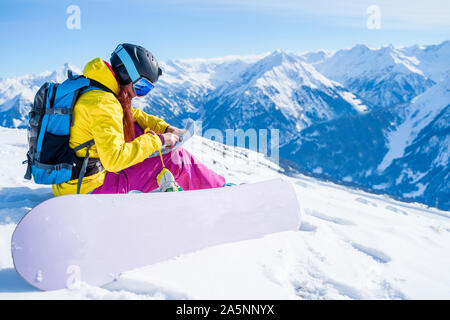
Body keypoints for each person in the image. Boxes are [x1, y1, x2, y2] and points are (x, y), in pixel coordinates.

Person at [52, 43, 226, 196]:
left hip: (72, 180)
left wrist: (165, 128)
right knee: (175, 159)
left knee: (135, 127)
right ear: (125, 74)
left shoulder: (96, 87)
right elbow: (114, 160)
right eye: (140, 87)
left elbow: (133, 115)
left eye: (147, 89)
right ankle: (219, 190)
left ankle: (209, 185)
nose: (138, 95)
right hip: (88, 190)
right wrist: (159, 140)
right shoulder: (104, 104)